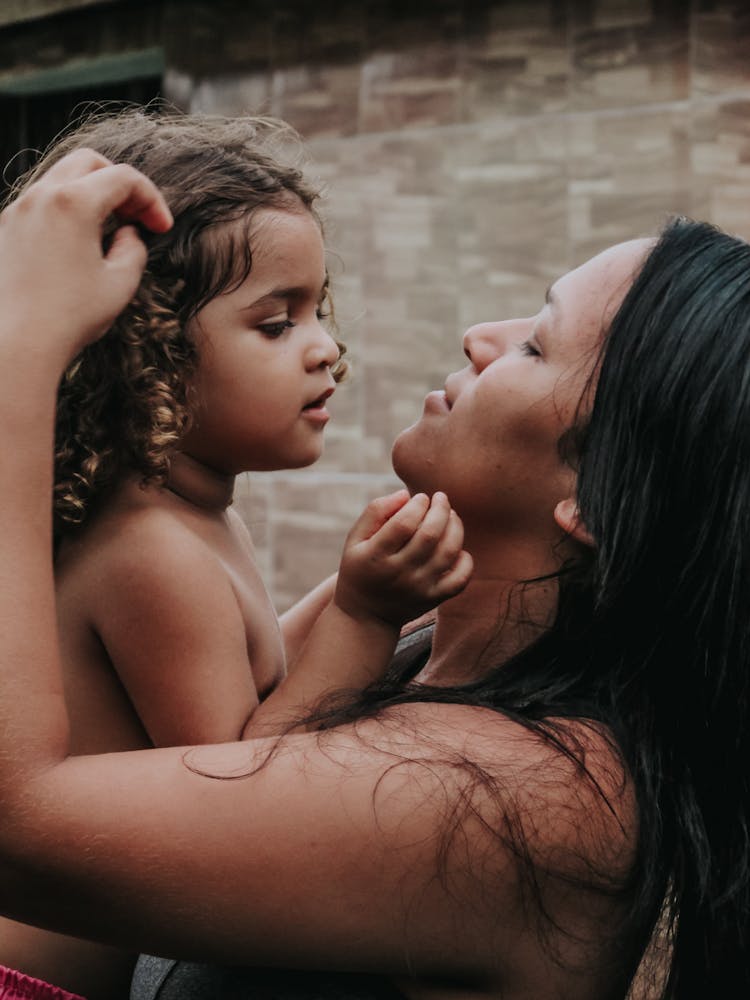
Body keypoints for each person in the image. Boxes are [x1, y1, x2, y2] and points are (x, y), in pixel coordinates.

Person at [0, 149, 745, 1000]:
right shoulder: (427, 649)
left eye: (536, 345)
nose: (480, 336)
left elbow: (18, 826)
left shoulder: (522, 798)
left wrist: (21, 342)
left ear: (597, 497)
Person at [0, 115, 472, 1000]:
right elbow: (246, 786)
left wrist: (367, 587)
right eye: (274, 323)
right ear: (152, 355)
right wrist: (366, 616)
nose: (324, 346)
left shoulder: (192, 516)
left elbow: (261, 669)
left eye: (316, 310)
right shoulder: (150, 552)